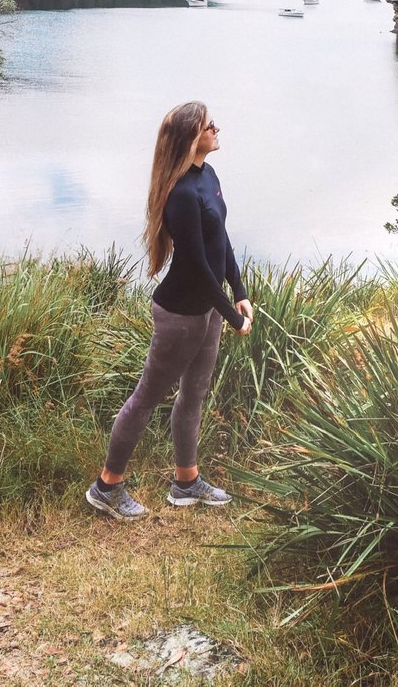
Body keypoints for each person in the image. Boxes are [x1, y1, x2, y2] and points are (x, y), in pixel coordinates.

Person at [86, 101, 253, 520]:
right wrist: (233, 319)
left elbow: (222, 241)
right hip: (180, 313)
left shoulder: (208, 176)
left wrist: (239, 290)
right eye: (208, 125)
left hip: (208, 308)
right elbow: (196, 265)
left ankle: (185, 482)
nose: (216, 128)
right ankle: (107, 486)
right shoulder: (180, 193)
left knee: (194, 393)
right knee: (147, 397)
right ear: (191, 138)